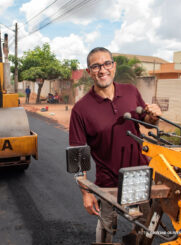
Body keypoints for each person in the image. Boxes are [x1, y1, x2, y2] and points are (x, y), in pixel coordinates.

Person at [69, 47, 162, 243]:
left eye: (106, 64)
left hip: (140, 177)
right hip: (108, 186)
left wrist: (154, 115)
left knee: (144, 231)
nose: (102, 70)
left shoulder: (131, 91)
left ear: (114, 66)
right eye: (96, 66)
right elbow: (78, 156)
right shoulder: (81, 109)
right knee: (105, 234)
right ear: (89, 72)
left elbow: (147, 121)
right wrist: (86, 193)